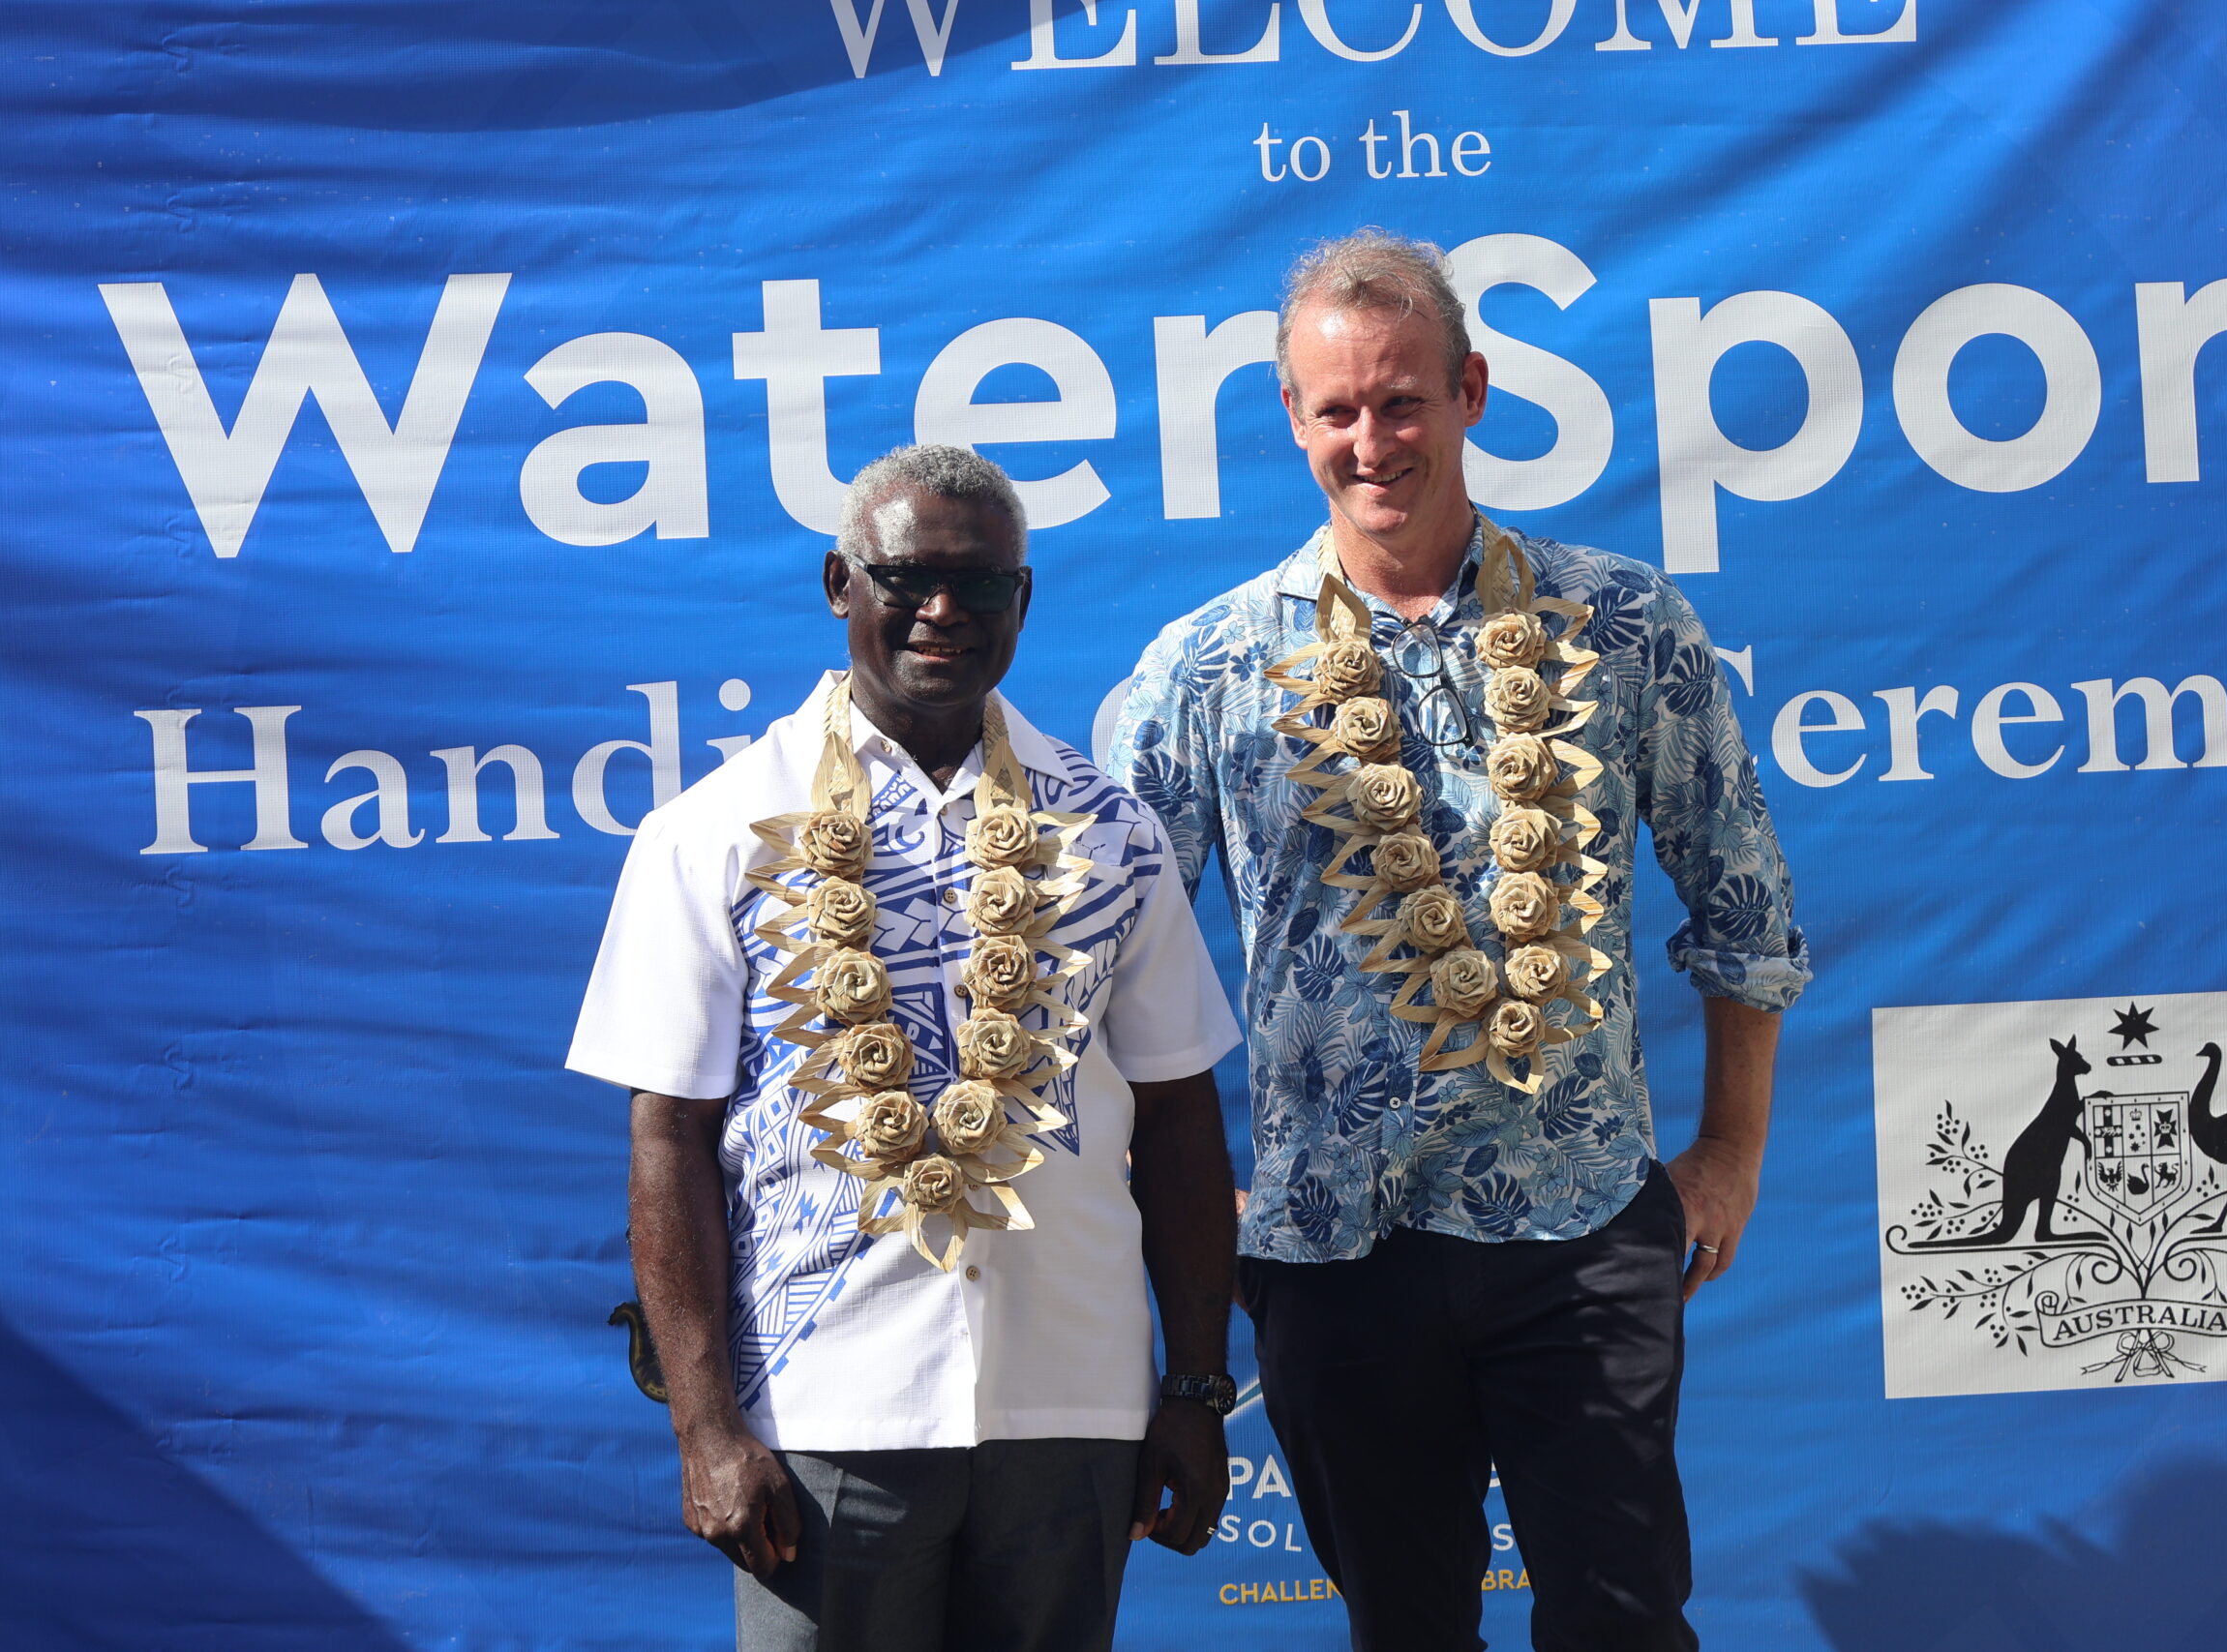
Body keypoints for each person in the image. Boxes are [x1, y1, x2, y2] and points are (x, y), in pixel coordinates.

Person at [1107, 230, 1811, 1651]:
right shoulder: (1209, 665)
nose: (1374, 439)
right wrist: (1194, 1210)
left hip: (1583, 1224)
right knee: (1408, 1632)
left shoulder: (1623, 624)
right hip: (1334, 1246)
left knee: (1624, 1622)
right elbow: (1102, 958)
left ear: (1474, 388)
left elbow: (1742, 896)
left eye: (1404, 398)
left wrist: (1728, 1151)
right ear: (1294, 420)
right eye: (1339, 408)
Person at [571, 444, 1244, 1652]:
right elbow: (667, 1135)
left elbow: (1184, 1116)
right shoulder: (716, 833)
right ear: (841, 584)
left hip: (1071, 1403)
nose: (944, 612)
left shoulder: (1109, 830)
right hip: (826, 1410)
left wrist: (1194, 1389)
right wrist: (707, 1430)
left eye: (982, 586)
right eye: (906, 579)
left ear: (1023, 602)